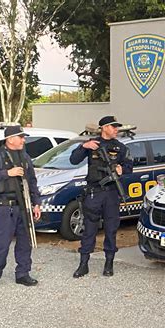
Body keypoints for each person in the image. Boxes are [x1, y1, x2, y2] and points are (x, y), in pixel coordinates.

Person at [70, 115, 133, 278]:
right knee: (89, 229)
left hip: (112, 193)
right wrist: (84, 146)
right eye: (113, 127)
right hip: (94, 192)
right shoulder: (93, 144)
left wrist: (122, 169)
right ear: (104, 128)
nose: (116, 130)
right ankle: (83, 264)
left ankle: (109, 263)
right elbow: (74, 160)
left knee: (111, 229)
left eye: (117, 127)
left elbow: (129, 167)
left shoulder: (120, 148)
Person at [0, 125, 41, 288]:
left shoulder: (25, 156)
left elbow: (32, 181)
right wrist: (7, 173)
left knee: (25, 242)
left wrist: (37, 203)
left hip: (24, 205)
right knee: (1, 244)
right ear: (10, 139)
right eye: (21, 137)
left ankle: (23, 273)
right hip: (4, 207)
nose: (24, 140)